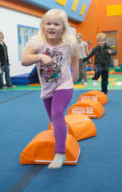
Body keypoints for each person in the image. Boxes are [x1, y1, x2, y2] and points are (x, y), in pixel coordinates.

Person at [21, 9, 79, 169]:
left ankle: (60, 153)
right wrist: (40, 56)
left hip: (64, 84)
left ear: (63, 27)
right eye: (48, 23)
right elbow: (24, 60)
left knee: (57, 113)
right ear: (43, 25)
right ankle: (62, 134)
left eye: (56, 24)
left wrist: (76, 74)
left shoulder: (69, 42)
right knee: (54, 119)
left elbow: (75, 57)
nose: (52, 27)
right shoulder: (37, 42)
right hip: (47, 87)